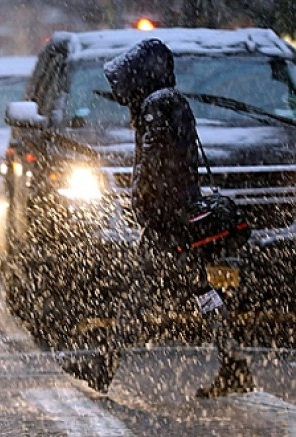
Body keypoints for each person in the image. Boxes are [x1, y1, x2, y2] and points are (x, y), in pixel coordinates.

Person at [60, 39, 255, 398]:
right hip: (180, 215)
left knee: (137, 297)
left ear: (141, 75)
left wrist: (150, 209)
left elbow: (155, 166)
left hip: (167, 223)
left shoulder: (157, 106)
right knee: (202, 290)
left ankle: (106, 366)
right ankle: (234, 363)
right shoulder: (170, 101)